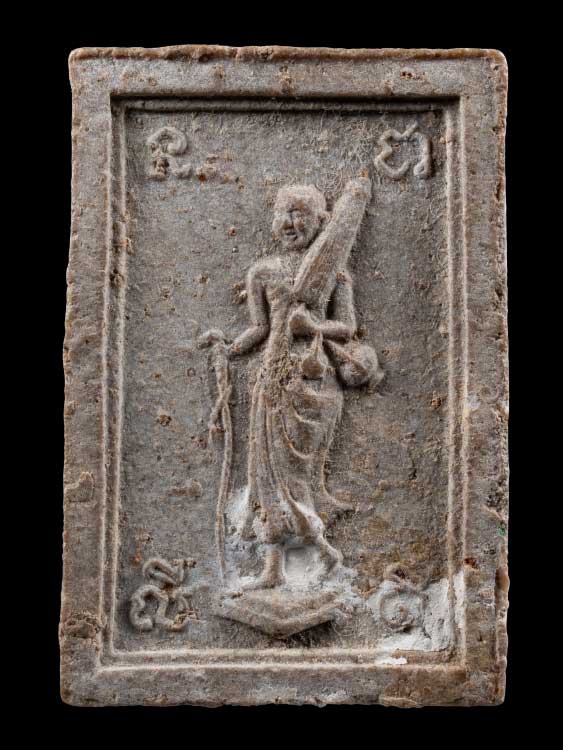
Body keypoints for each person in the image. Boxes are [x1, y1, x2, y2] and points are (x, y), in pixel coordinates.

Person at [228, 180, 378, 590]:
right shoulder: (262, 271)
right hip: (273, 378)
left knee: (297, 473)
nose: (292, 223)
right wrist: (228, 348)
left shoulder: (335, 273)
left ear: (321, 221)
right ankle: (275, 568)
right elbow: (259, 329)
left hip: (314, 381)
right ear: (274, 219)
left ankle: (323, 552)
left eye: (301, 214)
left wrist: (312, 325)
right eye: (285, 214)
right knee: (266, 472)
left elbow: (346, 327)